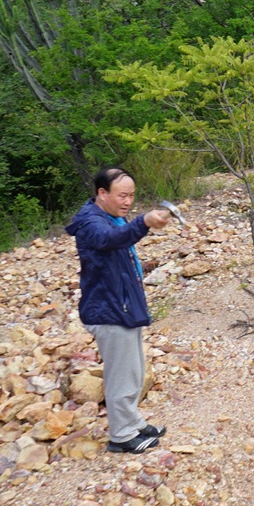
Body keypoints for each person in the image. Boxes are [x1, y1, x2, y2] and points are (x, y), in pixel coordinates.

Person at [65, 167, 173, 454]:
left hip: (121, 305)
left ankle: (133, 422)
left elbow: (122, 236)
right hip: (108, 309)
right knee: (121, 375)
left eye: (132, 196)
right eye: (122, 195)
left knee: (134, 371)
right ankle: (121, 436)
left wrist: (141, 224)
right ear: (102, 193)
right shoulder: (91, 222)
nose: (128, 201)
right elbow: (110, 240)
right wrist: (144, 222)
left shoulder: (112, 217)